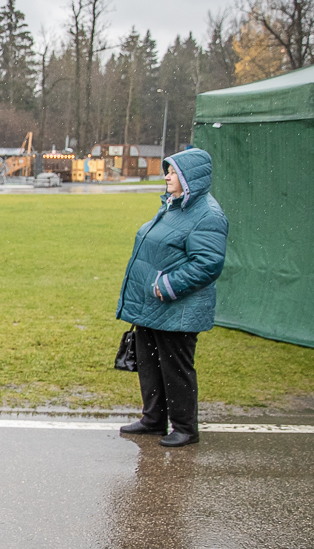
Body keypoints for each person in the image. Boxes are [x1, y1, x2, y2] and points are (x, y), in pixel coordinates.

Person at [115, 148, 228, 448]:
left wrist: (167, 286)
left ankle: (185, 428)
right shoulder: (174, 206)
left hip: (178, 308)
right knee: (150, 364)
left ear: (191, 177)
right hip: (152, 306)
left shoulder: (207, 215)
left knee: (175, 367)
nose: (167, 176)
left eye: (173, 172)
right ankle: (153, 419)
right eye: (167, 170)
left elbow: (208, 263)